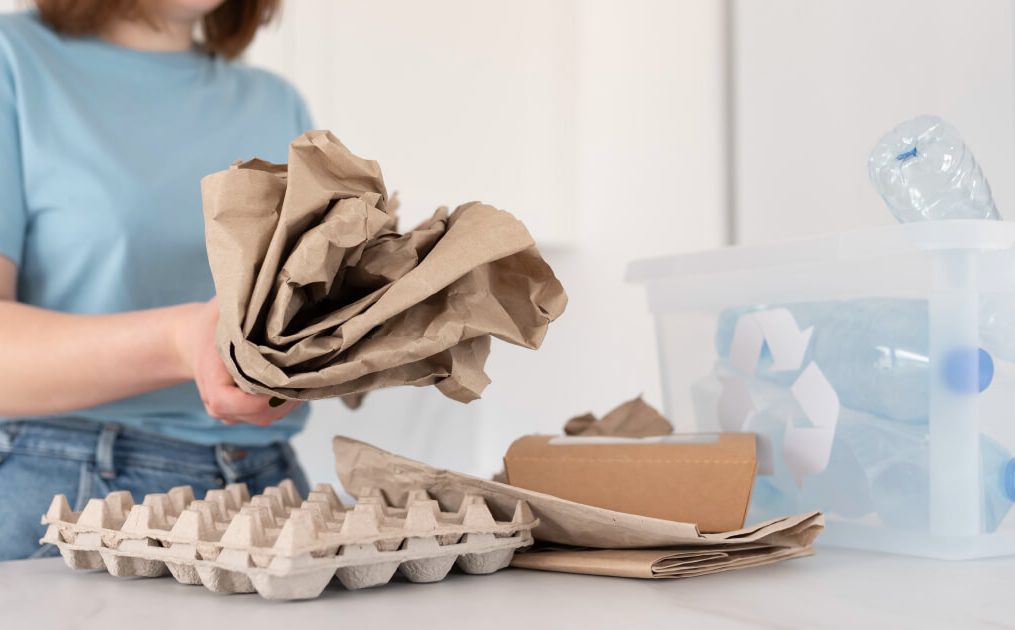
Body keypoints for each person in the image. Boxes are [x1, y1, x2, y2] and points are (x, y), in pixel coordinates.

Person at [0, 0, 314, 561]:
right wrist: (180, 341)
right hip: (70, 498)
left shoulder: (276, 101)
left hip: (272, 489)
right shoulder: (13, 61)